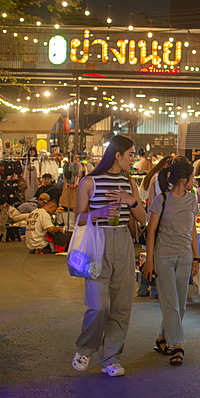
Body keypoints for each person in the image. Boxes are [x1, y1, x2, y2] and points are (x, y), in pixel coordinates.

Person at [71, 134, 148, 377]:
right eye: (131, 155)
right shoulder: (89, 181)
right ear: (118, 155)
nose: (133, 159)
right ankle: (85, 348)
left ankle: (111, 358)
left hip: (123, 242)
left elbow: (143, 218)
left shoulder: (129, 182)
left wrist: (130, 201)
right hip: (97, 242)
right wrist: (99, 212)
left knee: (122, 305)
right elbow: (79, 219)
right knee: (99, 305)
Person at [141, 156, 200, 366]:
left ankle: (161, 338)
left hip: (185, 256)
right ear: (183, 179)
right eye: (193, 177)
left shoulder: (192, 199)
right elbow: (151, 231)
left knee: (180, 304)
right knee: (170, 303)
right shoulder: (162, 199)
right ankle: (178, 346)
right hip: (164, 256)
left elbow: (192, 228)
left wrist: (196, 256)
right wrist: (150, 260)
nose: (195, 181)